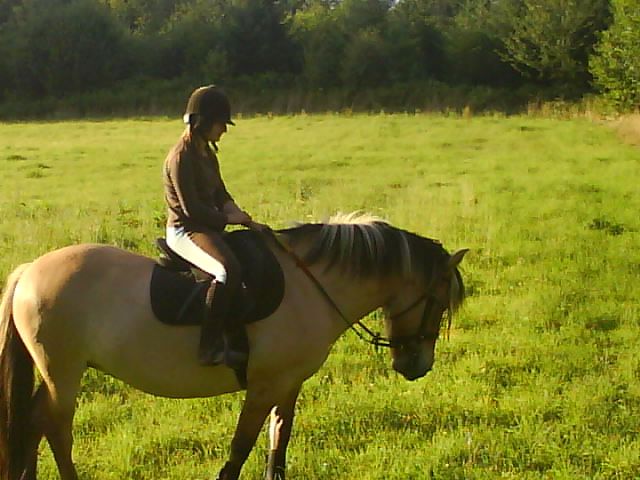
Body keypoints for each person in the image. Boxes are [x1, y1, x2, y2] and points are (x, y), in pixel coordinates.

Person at [163, 85, 265, 368]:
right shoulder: (181, 157)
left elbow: (220, 194)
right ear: (202, 122)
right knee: (227, 270)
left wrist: (245, 219)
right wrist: (229, 220)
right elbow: (191, 210)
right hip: (185, 230)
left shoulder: (207, 153)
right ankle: (207, 347)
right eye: (221, 123)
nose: (224, 129)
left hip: (207, 229)